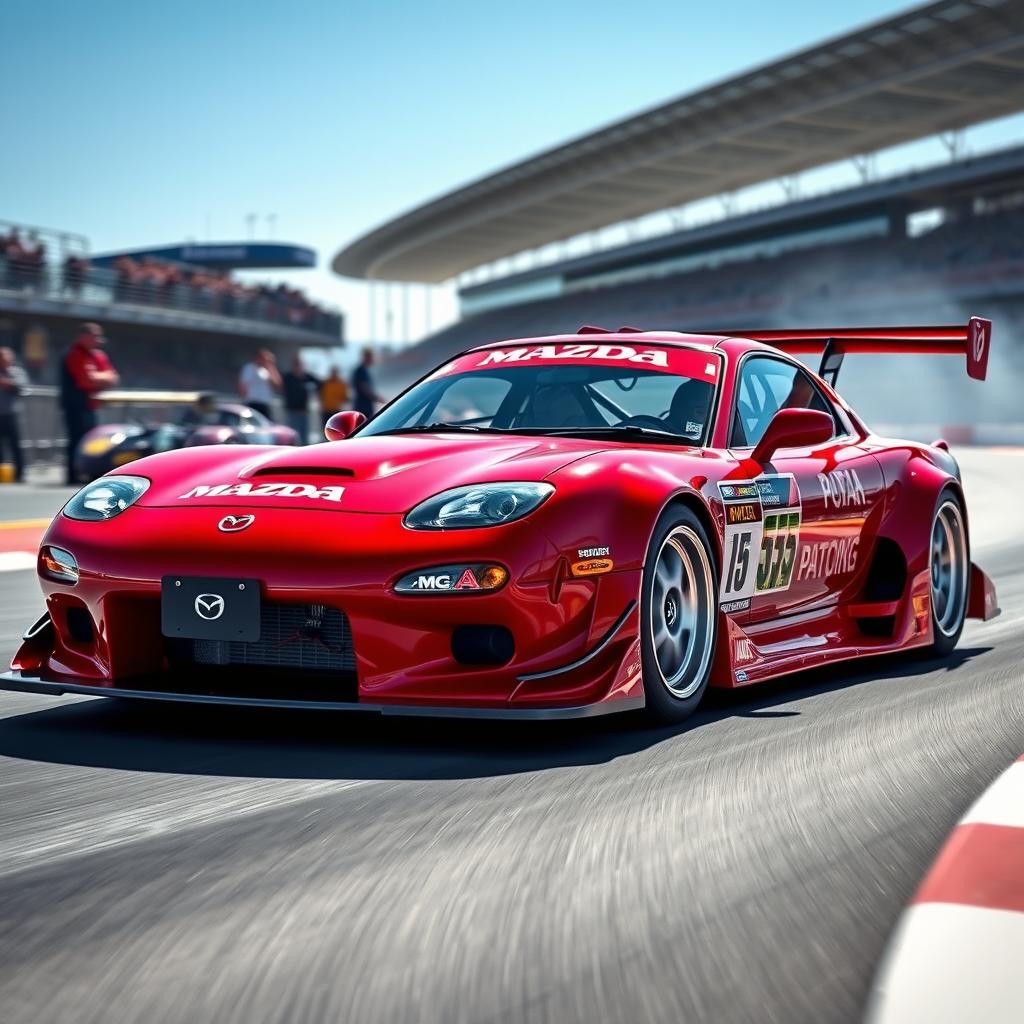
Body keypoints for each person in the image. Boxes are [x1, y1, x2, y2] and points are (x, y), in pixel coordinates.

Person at [60, 323, 120, 484]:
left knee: (91, 440)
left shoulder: (96, 355)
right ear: (83, 337)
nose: (98, 341)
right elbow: (86, 381)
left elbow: (113, 377)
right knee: (77, 440)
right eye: (95, 337)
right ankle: (73, 475)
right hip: (76, 405)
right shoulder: (74, 354)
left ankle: (89, 472)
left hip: (90, 405)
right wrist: (102, 378)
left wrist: (98, 378)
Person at [0, 348, 28, 482]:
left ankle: (20, 474)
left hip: (11, 413)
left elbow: (21, 388)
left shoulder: (16, 372)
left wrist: (6, 383)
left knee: (15, 445)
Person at [281, 355, 319, 444]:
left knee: (304, 438)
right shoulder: (288, 377)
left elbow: (320, 384)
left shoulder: (307, 377)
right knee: (291, 437)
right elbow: (279, 386)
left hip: (304, 412)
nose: (298, 366)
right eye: (296, 364)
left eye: (299, 364)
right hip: (291, 411)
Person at [238, 348, 281, 419]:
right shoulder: (249, 368)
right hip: (252, 403)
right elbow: (243, 384)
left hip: (265, 404)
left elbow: (277, 384)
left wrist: (271, 366)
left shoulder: (268, 370)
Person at [351, 347, 383, 419]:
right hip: (362, 408)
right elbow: (364, 389)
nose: (372, 359)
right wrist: (377, 398)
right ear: (366, 357)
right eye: (371, 356)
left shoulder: (364, 370)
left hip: (366, 407)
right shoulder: (360, 371)